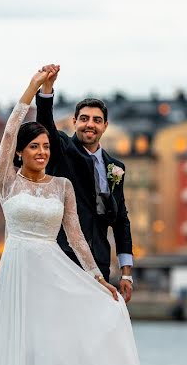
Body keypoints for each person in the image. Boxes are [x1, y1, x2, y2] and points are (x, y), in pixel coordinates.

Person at [0, 67, 151, 365]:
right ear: (23, 152)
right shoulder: (7, 181)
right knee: (30, 350)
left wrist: (102, 279)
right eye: (36, 147)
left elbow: (77, 235)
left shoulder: (66, 185)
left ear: (106, 125)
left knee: (81, 336)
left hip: (61, 268)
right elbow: (13, 131)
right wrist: (37, 90)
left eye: (46, 148)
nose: (42, 152)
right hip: (21, 272)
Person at [33, 65, 135, 302]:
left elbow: (121, 221)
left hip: (99, 261)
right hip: (62, 256)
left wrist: (126, 273)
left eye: (97, 120)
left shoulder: (115, 167)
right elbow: (45, 124)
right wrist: (47, 89)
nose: (90, 124)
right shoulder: (61, 149)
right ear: (74, 122)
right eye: (84, 119)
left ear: (105, 126)